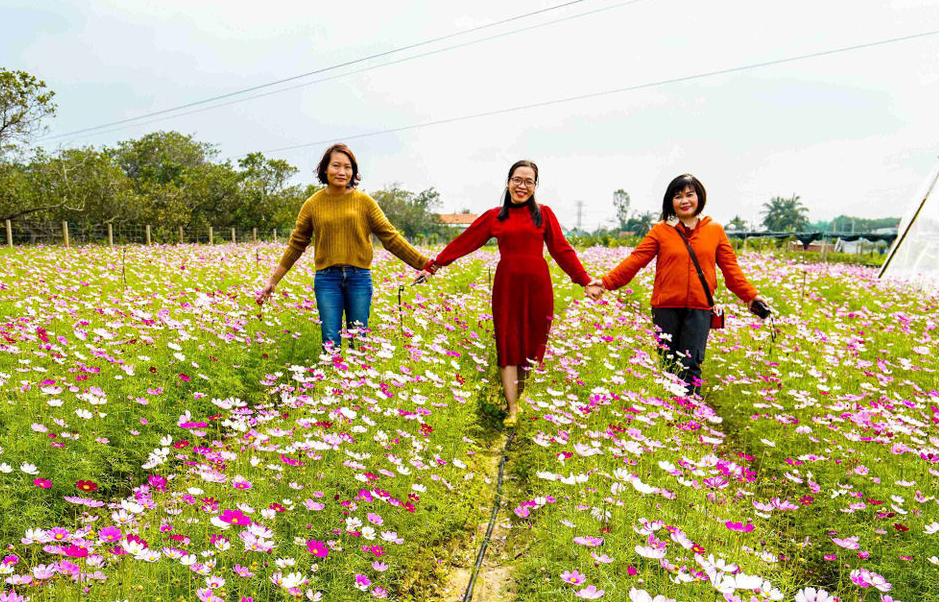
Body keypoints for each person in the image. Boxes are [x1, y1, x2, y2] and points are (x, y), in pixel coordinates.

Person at [417, 160, 592, 426]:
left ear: (535, 186)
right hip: (507, 287)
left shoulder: (544, 214)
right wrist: (435, 265)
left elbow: (562, 249)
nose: (522, 186)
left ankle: (523, 400)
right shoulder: (494, 217)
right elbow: (465, 242)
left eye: (528, 181)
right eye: (517, 180)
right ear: (508, 182)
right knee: (508, 343)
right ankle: (512, 408)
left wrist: (585, 280)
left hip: (538, 287)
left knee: (534, 344)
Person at [587, 173, 763, 395]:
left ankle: (689, 419)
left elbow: (731, 269)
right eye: (678, 196)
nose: (684, 201)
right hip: (666, 308)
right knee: (669, 365)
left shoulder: (714, 230)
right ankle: (669, 417)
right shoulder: (661, 230)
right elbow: (636, 260)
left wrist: (750, 296)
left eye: (690, 195)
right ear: (671, 202)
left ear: (700, 198)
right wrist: (605, 282)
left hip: (700, 308)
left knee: (691, 365)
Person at [256, 143, 431, 349]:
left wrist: (424, 263)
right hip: (327, 279)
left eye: (347, 167)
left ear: (353, 171)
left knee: (359, 337)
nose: (342, 172)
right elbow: (296, 245)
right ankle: (329, 376)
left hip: (359, 278)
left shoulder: (364, 202)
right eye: (336, 166)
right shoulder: (312, 204)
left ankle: (360, 380)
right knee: (330, 339)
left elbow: (390, 237)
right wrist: (273, 280)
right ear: (325, 169)